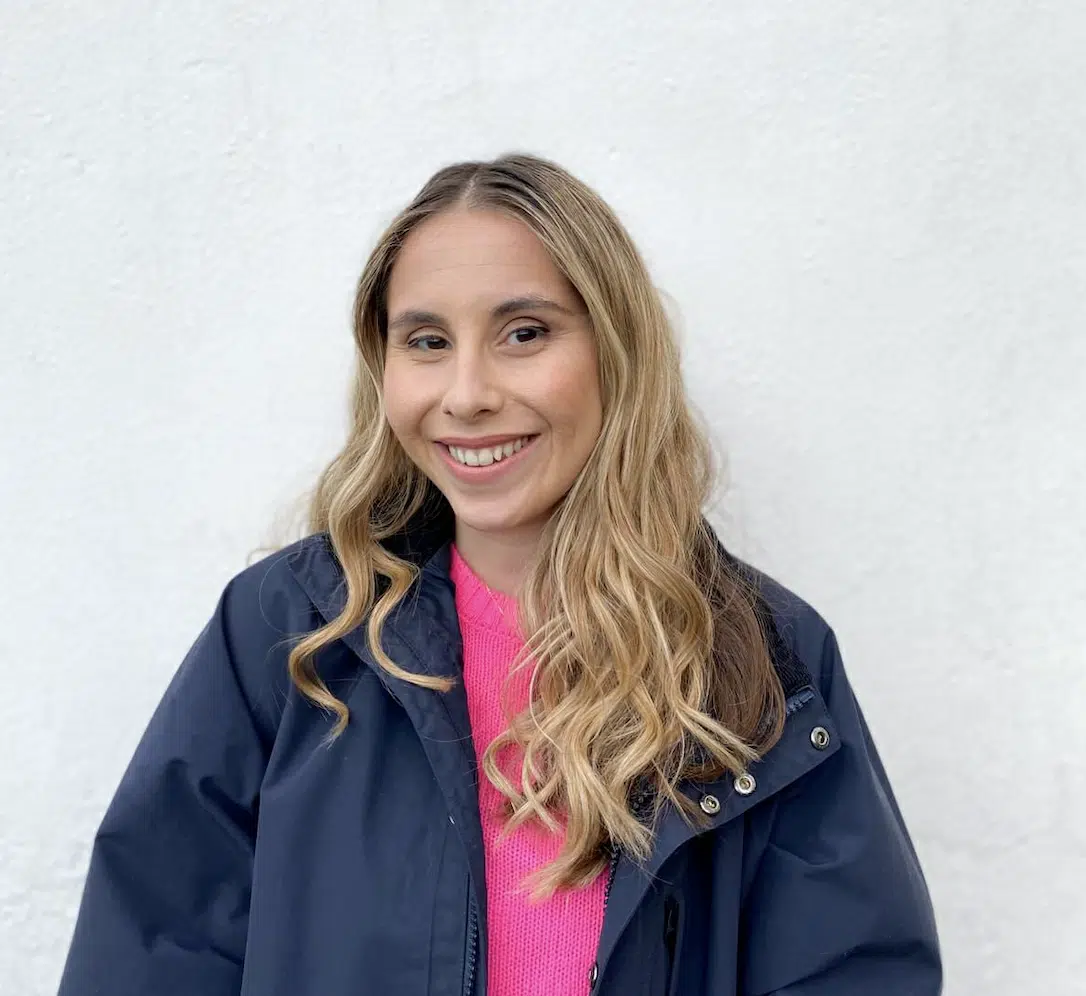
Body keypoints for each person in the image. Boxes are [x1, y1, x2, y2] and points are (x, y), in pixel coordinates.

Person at [57, 153, 941, 996]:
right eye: (428, 340)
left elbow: (848, 970)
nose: (468, 391)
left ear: (615, 351)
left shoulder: (761, 657)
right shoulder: (291, 633)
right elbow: (151, 949)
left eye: (524, 332)